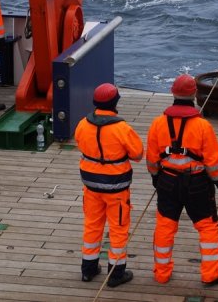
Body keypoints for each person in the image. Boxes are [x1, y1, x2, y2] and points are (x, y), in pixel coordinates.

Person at [146, 73, 218, 286]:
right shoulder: (202, 126)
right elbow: (213, 161)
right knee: (207, 227)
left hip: (167, 180)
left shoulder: (158, 123)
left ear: (173, 92)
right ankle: (211, 274)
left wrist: (156, 177)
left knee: (165, 226)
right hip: (197, 184)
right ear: (194, 94)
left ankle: (161, 274)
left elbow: (152, 157)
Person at [74, 83, 144, 287]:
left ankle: (88, 269)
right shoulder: (122, 128)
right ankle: (116, 273)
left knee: (92, 226)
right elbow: (138, 154)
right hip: (116, 189)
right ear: (115, 103)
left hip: (91, 187)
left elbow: (80, 142)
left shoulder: (82, 124)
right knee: (118, 228)